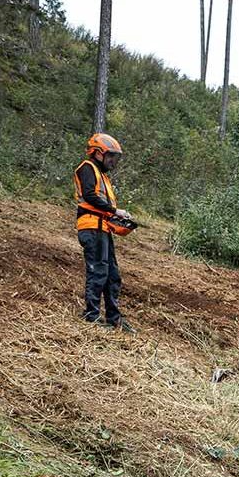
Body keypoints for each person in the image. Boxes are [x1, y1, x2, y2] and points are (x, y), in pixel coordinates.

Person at [74, 132, 139, 331]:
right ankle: (91, 316)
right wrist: (114, 211)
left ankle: (114, 318)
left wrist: (118, 219)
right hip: (91, 228)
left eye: (115, 157)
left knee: (112, 275)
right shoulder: (87, 168)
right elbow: (90, 197)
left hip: (103, 228)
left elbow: (102, 204)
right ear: (97, 153)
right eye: (110, 156)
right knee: (98, 272)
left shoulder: (102, 175)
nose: (113, 161)